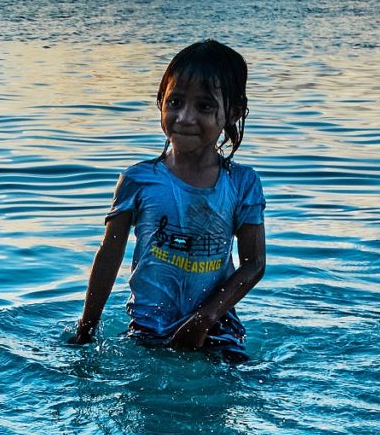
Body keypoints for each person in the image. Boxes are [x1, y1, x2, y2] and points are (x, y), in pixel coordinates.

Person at [68, 40, 267, 362]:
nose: (185, 118)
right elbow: (109, 254)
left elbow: (253, 263)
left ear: (234, 112)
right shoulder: (139, 180)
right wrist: (87, 326)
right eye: (175, 102)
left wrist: (205, 318)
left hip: (216, 329)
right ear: (160, 102)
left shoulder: (242, 183)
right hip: (148, 326)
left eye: (204, 106)